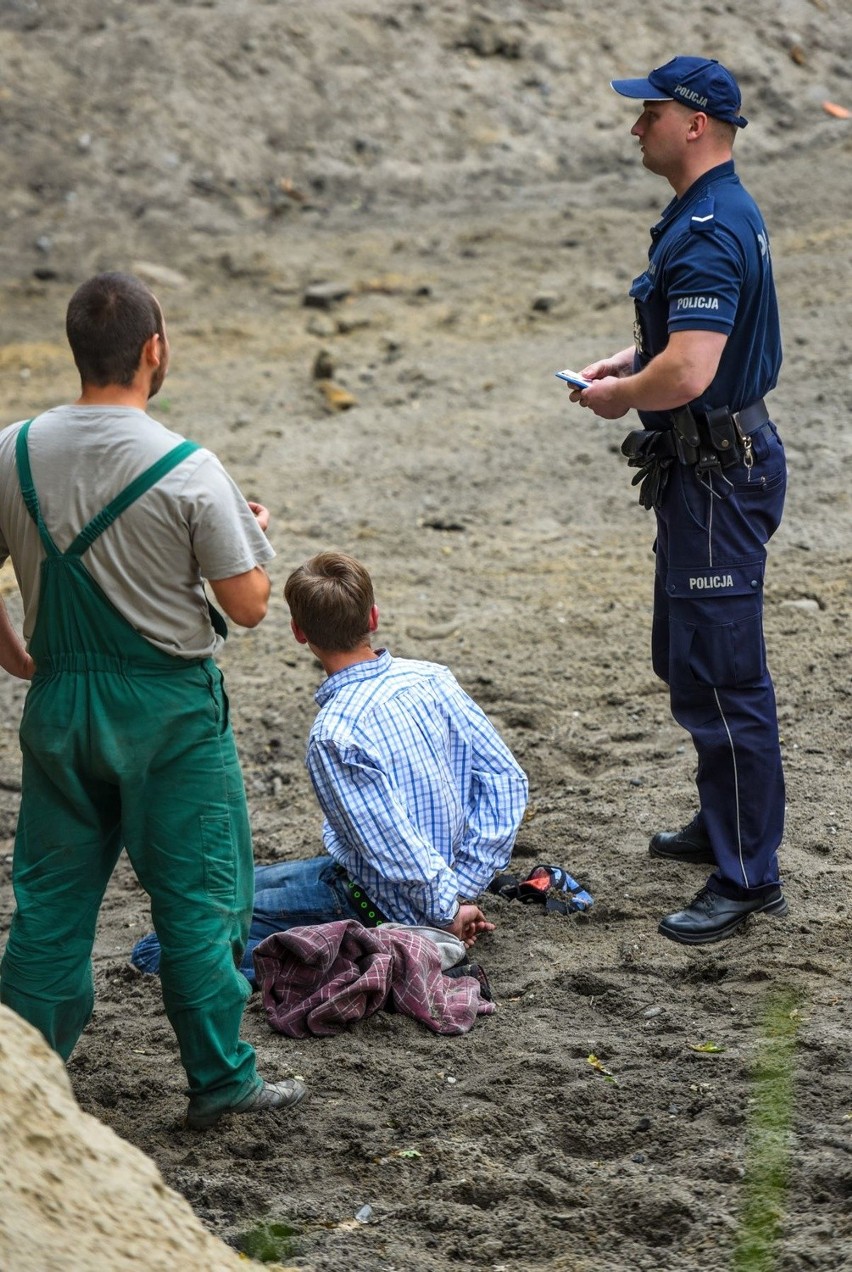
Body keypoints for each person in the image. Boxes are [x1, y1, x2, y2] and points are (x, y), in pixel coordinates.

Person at [0, 271, 305, 1128]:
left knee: (50, 906)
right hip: (168, 715)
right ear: (153, 351)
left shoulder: (12, 449)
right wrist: (251, 537)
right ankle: (220, 1082)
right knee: (200, 902)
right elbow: (245, 606)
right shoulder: (188, 467)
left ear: (74, 351)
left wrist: (21, 658)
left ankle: (22, 1085)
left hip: (59, 704)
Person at [569, 57, 788, 945]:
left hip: (717, 478)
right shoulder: (717, 211)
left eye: (649, 112)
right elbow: (696, 349)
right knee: (689, 658)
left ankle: (748, 876)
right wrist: (633, 364)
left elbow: (693, 371)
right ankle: (724, 821)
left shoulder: (705, 227)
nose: (636, 127)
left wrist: (625, 396)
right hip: (708, 469)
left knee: (726, 678)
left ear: (694, 122)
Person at [134, 550, 530, 982]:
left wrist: (447, 910)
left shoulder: (334, 733)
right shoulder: (433, 677)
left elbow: (392, 846)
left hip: (377, 902)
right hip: (418, 885)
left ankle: (381, 956)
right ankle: (406, 938)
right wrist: (463, 887)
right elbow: (505, 782)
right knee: (220, 892)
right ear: (373, 616)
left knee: (160, 947)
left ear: (298, 632)